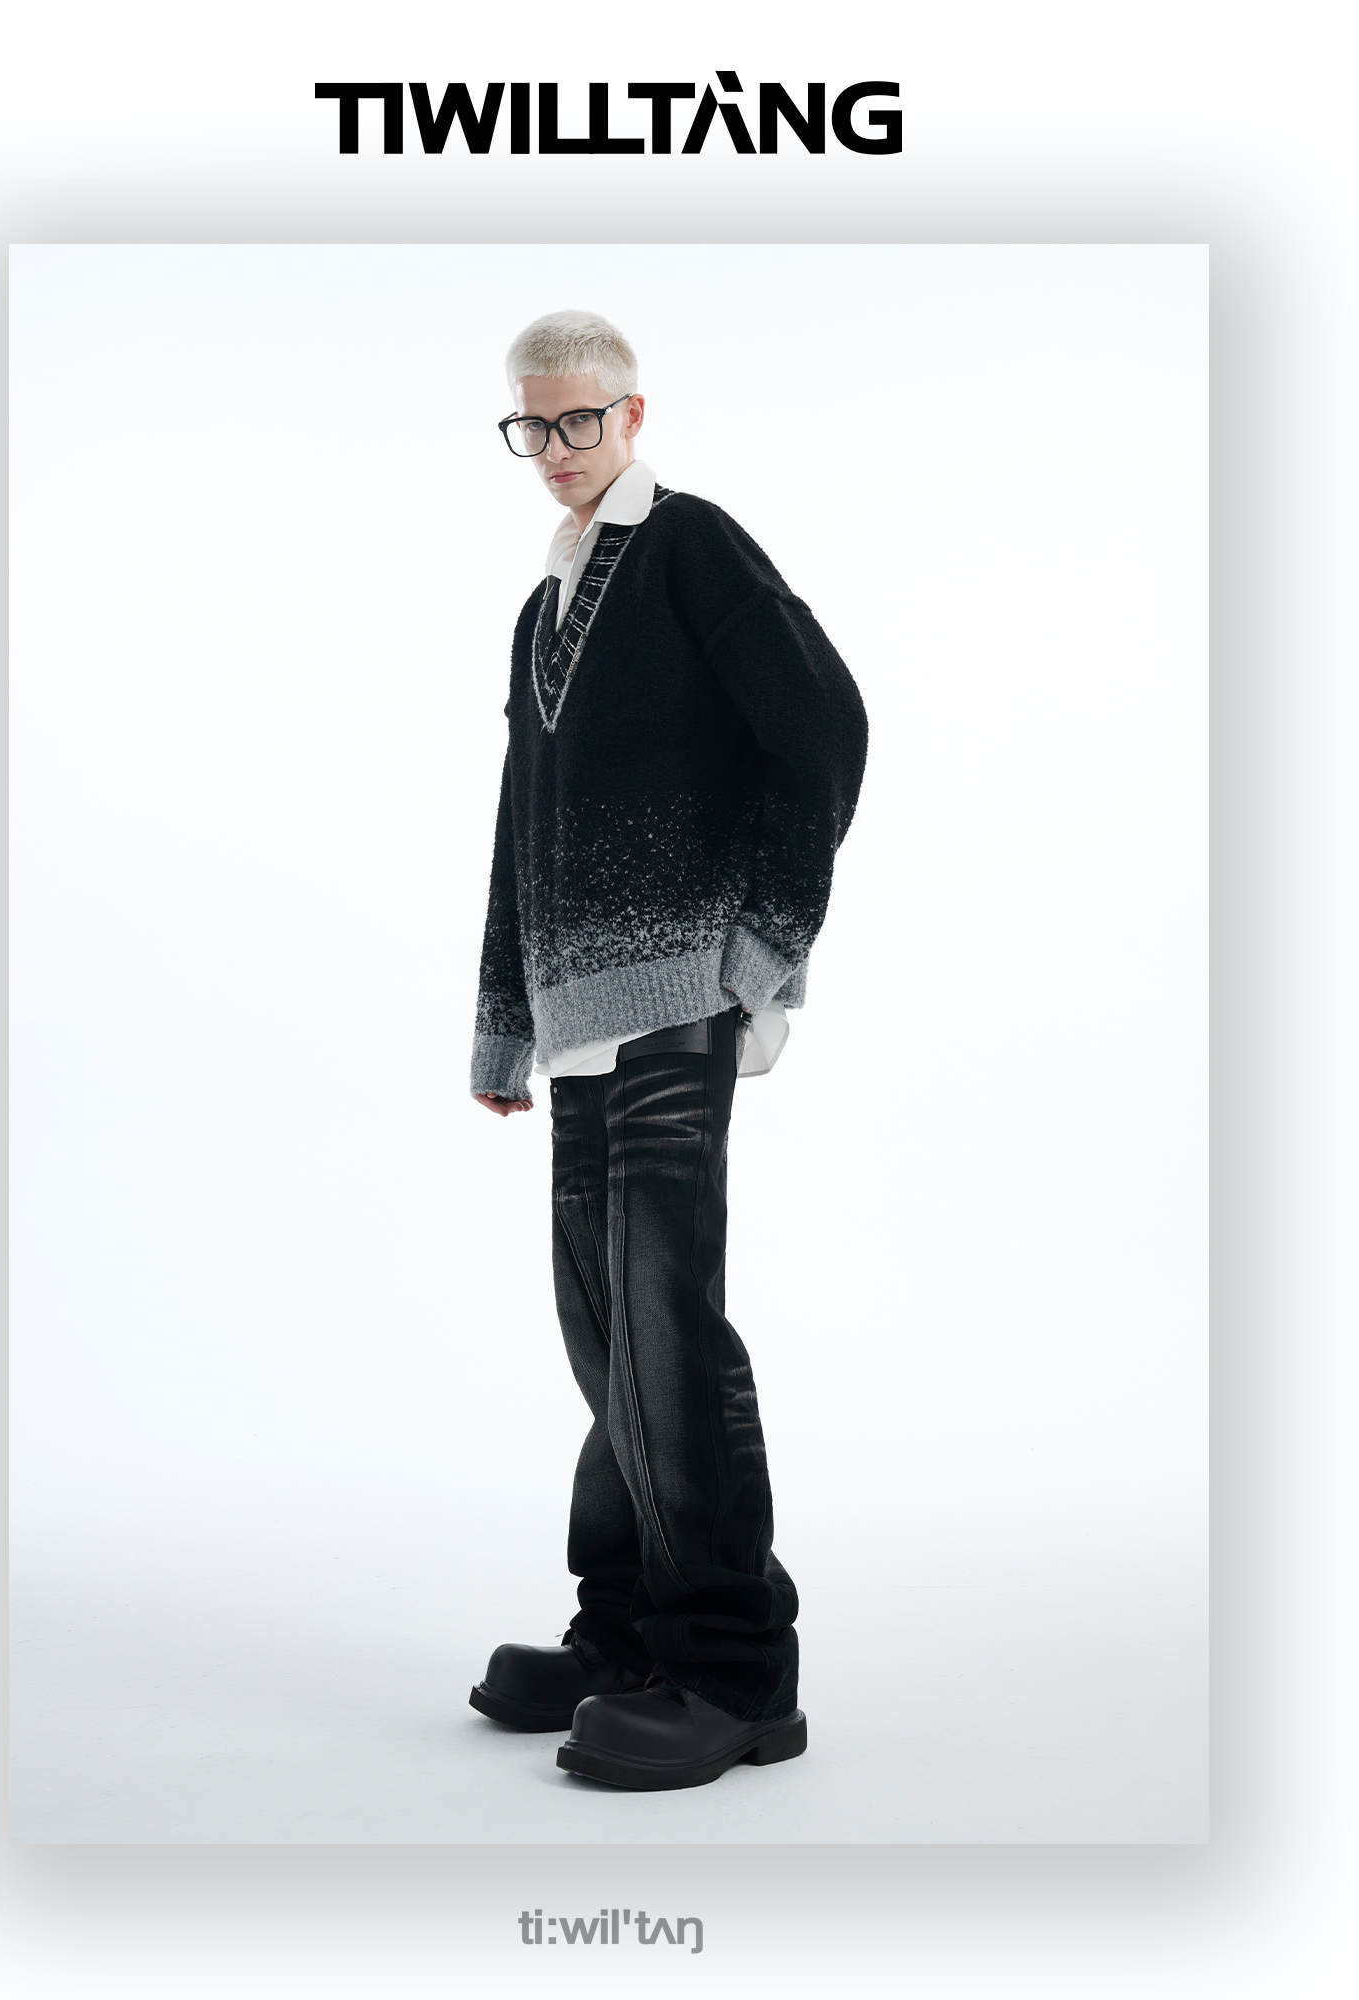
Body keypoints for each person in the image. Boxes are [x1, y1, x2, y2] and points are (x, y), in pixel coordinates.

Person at [467, 310, 868, 1791]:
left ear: (634, 415)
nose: (557, 449)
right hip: (576, 1018)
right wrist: (504, 1015)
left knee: (664, 1324)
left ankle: (733, 1667)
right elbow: (520, 820)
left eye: (581, 420)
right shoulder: (542, 609)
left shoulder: (692, 547)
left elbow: (826, 729)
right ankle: (629, 1628)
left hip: (673, 1002)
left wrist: (761, 951)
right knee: (605, 1333)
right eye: (534, 426)